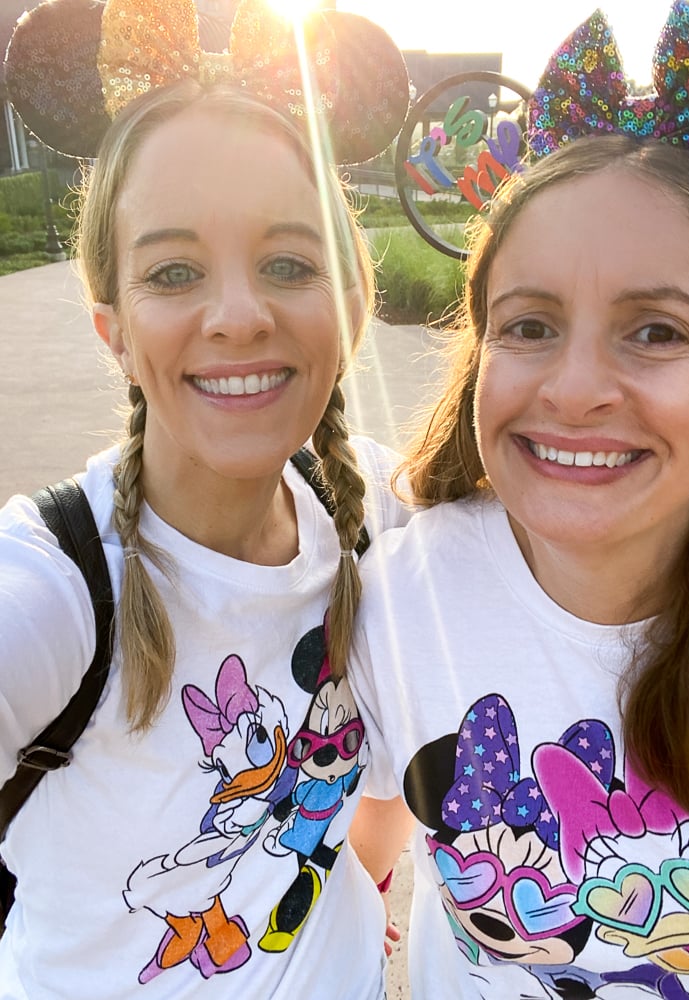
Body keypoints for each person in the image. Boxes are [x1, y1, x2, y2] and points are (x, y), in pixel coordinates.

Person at [0, 0, 411, 997]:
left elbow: (389, 779)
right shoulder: (53, 588)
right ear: (114, 330)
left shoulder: (379, 510)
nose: (238, 315)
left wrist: (353, 904)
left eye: (288, 263)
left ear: (350, 304)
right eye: (175, 271)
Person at [348, 2, 689, 997]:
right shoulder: (404, 595)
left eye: (656, 331)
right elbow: (367, 825)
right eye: (530, 325)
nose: (574, 390)